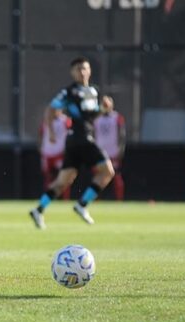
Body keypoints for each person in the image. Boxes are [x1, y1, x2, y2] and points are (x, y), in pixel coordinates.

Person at [29, 57, 114, 228]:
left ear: (90, 70)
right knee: (108, 171)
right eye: (78, 69)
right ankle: (82, 205)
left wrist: (104, 109)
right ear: (72, 73)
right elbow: (51, 109)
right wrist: (51, 131)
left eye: (85, 68)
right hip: (82, 139)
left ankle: (39, 209)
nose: (82, 72)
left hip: (75, 142)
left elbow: (90, 116)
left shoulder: (94, 91)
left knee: (63, 181)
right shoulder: (69, 92)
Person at [93, 95, 126, 201]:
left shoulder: (117, 118)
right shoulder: (96, 119)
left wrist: (121, 149)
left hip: (113, 151)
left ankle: (119, 200)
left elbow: (122, 135)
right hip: (99, 152)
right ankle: (95, 200)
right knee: (98, 177)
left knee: (116, 175)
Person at [39, 107, 71, 200]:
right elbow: (41, 134)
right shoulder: (46, 122)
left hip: (59, 153)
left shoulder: (65, 121)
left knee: (64, 177)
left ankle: (65, 199)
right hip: (47, 153)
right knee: (48, 177)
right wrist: (41, 147)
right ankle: (47, 199)